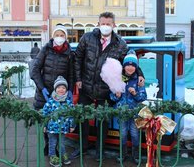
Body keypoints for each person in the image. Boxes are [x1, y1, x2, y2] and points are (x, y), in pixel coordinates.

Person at [72, 11, 144, 160]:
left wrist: (140, 74)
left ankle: (100, 150)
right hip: (86, 85)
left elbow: (129, 61)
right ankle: (82, 147)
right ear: (98, 24)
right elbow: (78, 58)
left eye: (108, 24)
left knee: (103, 120)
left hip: (105, 89)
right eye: (102, 23)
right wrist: (78, 78)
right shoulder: (87, 38)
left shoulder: (120, 43)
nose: (105, 26)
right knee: (82, 118)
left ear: (113, 25)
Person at [30, 25, 74, 155]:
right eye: (57, 35)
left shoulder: (69, 54)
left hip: (61, 93)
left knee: (60, 120)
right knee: (46, 120)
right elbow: (35, 70)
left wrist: (70, 90)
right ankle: (48, 144)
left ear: (65, 37)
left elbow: (71, 74)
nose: (59, 38)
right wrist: (42, 88)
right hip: (45, 92)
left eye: (62, 35)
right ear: (53, 36)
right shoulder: (46, 50)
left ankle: (58, 147)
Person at [110, 50, 147, 164]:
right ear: (124, 66)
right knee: (123, 134)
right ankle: (123, 154)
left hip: (135, 113)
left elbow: (143, 96)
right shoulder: (118, 79)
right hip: (122, 113)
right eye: (128, 65)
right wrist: (116, 95)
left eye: (132, 65)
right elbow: (111, 96)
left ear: (136, 67)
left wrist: (135, 93)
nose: (130, 68)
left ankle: (136, 155)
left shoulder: (139, 80)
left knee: (135, 134)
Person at [43, 76, 75, 167]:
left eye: (63, 88)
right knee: (52, 143)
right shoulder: (50, 102)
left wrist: (72, 125)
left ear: (66, 90)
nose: (61, 90)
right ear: (55, 89)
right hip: (52, 128)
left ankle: (63, 155)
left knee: (62, 143)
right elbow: (45, 114)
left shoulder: (68, 102)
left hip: (63, 127)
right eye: (59, 87)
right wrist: (45, 125)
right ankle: (52, 157)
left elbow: (72, 114)